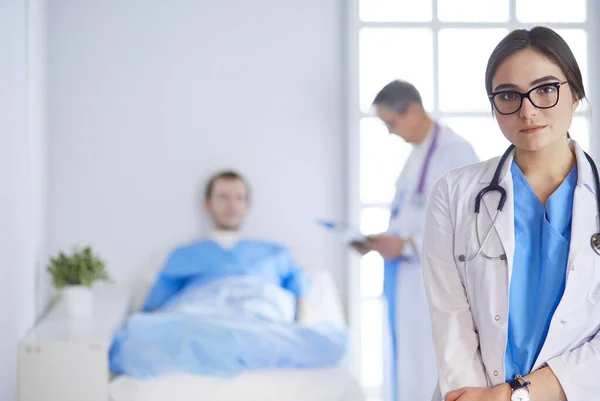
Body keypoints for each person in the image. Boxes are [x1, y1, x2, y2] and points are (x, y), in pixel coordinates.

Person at [422, 26, 599, 401]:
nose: (527, 110)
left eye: (546, 89)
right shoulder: (454, 193)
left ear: (577, 93)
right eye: (508, 96)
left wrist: (513, 396)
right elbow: (450, 315)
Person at [351, 80, 479, 401]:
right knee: (406, 364)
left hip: (433, 282)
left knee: (427, 366)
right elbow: (410, 215)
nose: (391, 132)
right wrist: (383, 241)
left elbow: (469, 227)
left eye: (391, 123)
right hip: (405, 278)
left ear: (412, 109)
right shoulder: (417, 155)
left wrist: (409, 245)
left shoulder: (456, 151)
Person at [142, 170, 309, 322]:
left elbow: (299, 296)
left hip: (262, 319)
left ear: (247, 206)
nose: (232, 205)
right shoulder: (183, 255)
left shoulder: (275, 253)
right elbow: (155, 308)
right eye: (223, 197)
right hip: (199, 322)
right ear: (208, 204)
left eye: (239, 198)